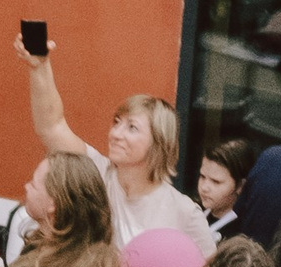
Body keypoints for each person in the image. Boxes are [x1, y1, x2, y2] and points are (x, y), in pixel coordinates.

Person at [22, 52, 213, 250]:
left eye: (132, 127)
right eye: (117, 122)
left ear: (159, 142)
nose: (115, 134)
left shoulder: (184, 213)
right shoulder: (97, 174)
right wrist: (39, 65)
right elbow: (52, 127)